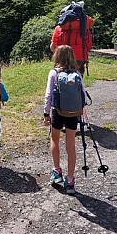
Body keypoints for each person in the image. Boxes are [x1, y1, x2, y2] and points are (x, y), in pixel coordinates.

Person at [43, 45, 86, 195]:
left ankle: (56, 172)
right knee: (71, 144)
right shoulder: (77, 73)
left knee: (54, 139)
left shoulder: (54, 73)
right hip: (74, 113)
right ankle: (70, 179)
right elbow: (83, 94)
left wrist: (46, 113)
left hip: (58, 112)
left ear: (57, 56)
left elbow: (48, 95)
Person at [50, 5, 94, 76]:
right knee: (77, 81)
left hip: (62, 59)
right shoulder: (84, 29)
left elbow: (52, 47)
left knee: (61, 81)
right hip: (80, 58)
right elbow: (89, 47)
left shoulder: (58, 28)